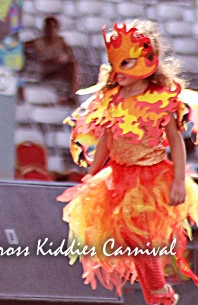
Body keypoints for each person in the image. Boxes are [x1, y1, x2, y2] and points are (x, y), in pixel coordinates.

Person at [58, 21, 198, 305]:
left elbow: (176, 140)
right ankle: (159, 293)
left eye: (126, 63)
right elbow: (107, 141)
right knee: (132, 240)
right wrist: (92, 174)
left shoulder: (161, 98)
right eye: (114, 64)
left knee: (139, 238)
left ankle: (159, 292)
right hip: (118, 178)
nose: (118, 71)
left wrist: (178, 180)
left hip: (151, 178)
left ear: (147, 60)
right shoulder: (111, 98)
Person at [26, 16, 79, 102]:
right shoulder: (37, 42)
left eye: (54, 28)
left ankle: (72, 96)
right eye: (49, 28)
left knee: (73, 67)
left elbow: (71, 57)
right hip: (45, 71)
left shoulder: (61, 42)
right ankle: (70, 97)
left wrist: (62, 59)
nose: (51, 31)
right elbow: (21, 48)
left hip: (58, 69)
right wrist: (32, 58)